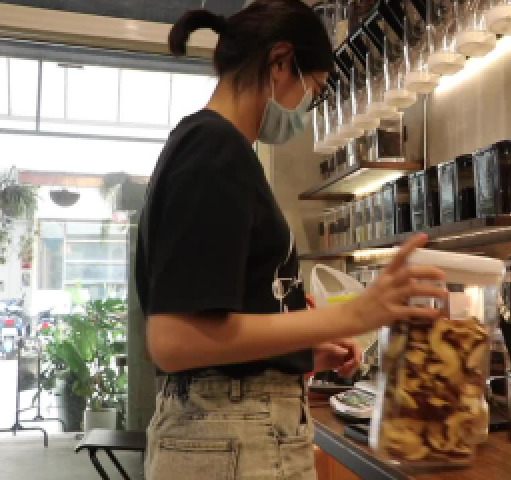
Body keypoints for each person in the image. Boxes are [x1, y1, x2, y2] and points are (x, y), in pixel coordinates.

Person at [137, 2, 447, 478]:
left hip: (229, 434)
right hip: (230, 438)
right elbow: (174, 340)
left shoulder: (216, 148)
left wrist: (298, 350)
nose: (305, 110)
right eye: (314, 90)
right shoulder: (214, 148)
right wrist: (353, 314)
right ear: (280, 62)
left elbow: (216, 329)